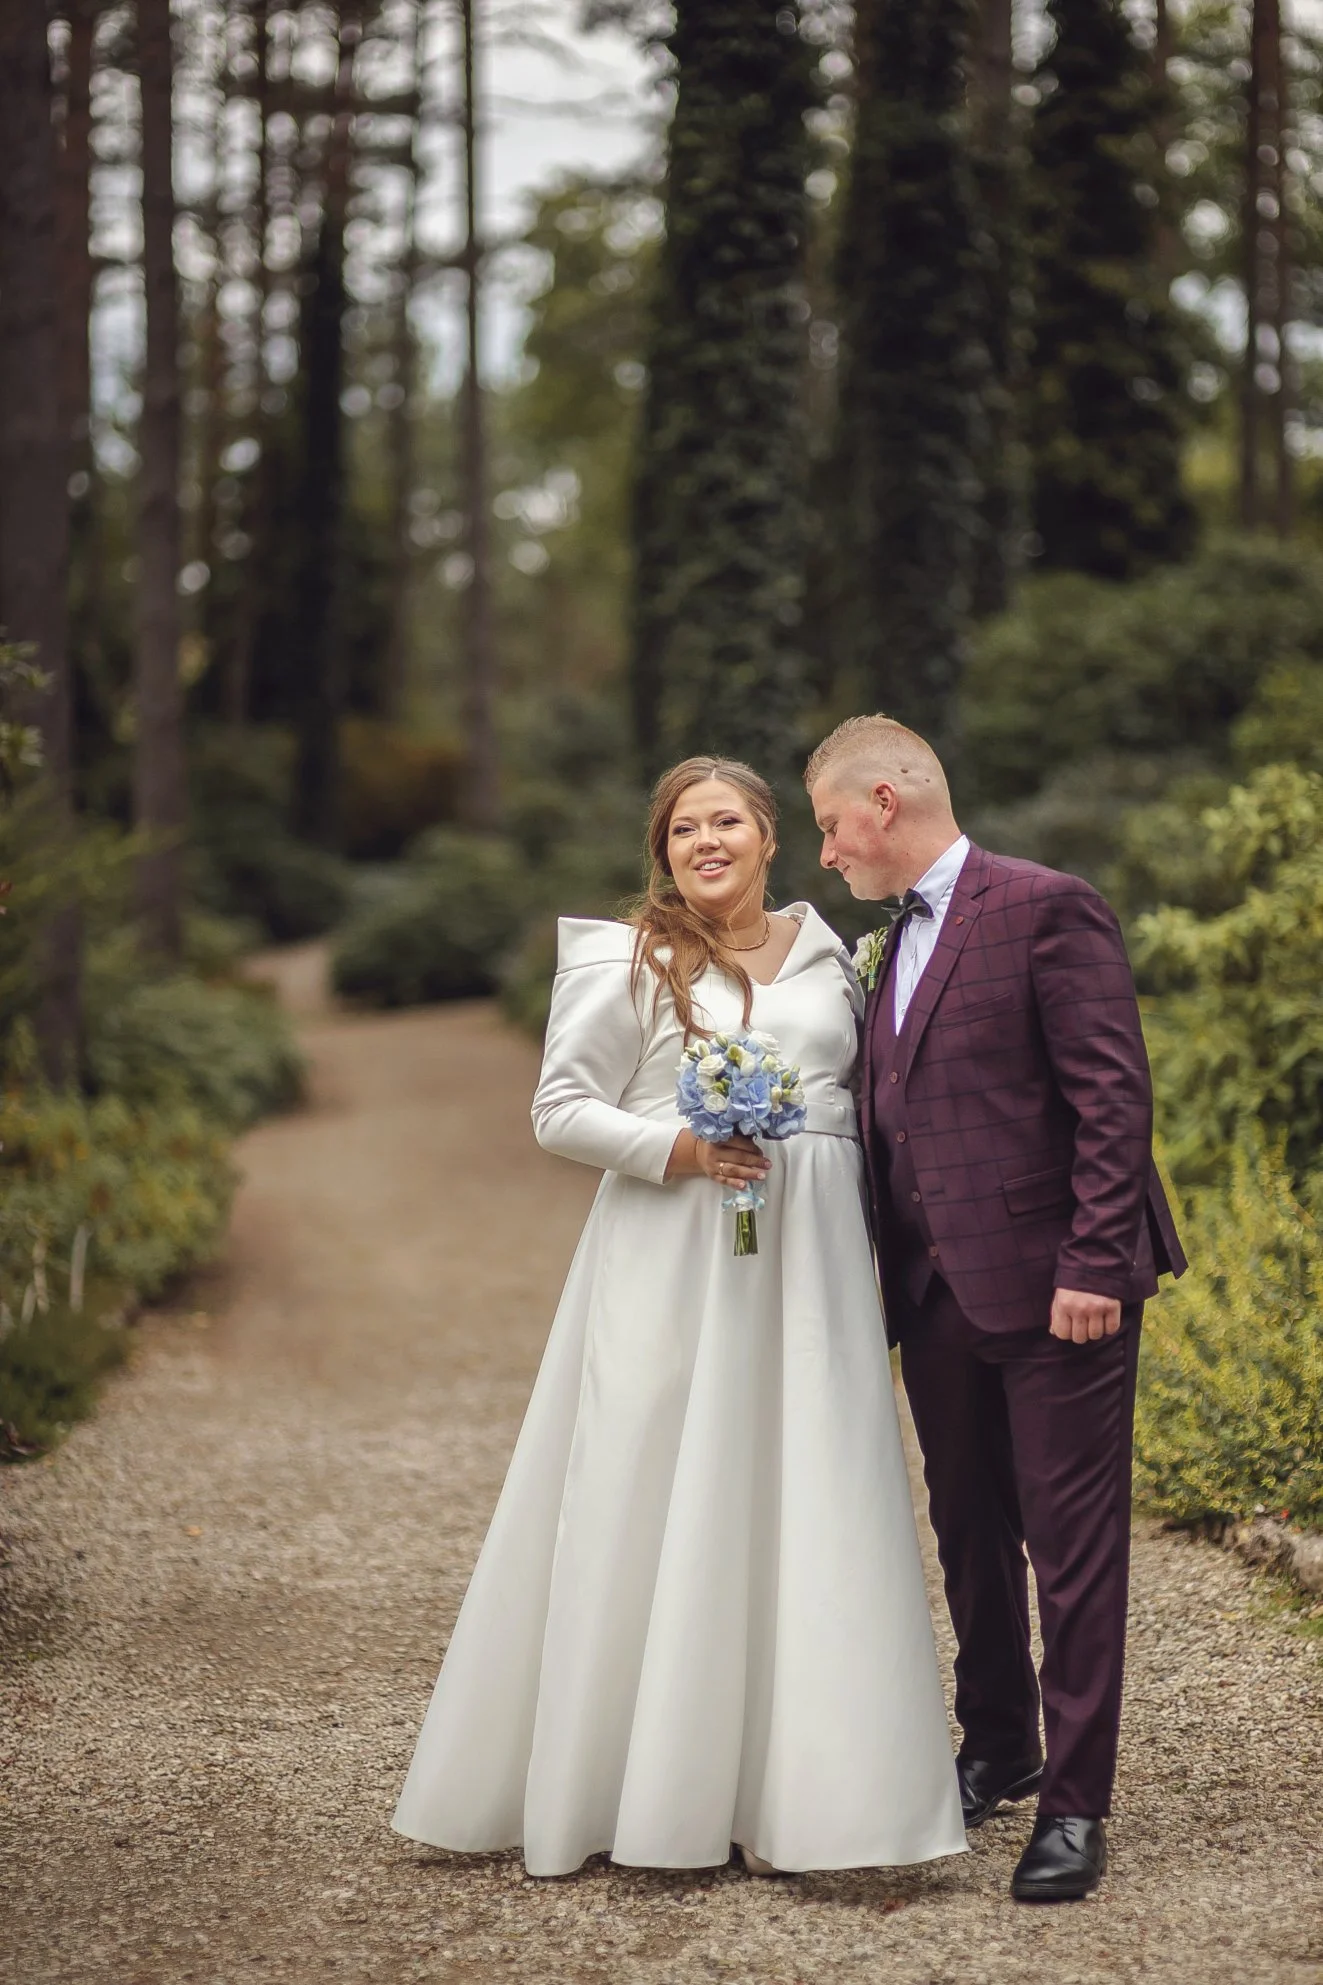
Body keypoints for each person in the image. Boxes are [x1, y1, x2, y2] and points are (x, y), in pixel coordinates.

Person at [392, 755, 966, 1878]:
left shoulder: (834, 959)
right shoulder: (630, 960)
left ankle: (814, 1800)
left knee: (809, 1489)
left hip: (811, 1262)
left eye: (727, 821)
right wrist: (685, 1149)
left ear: (768, 836)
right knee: (653, 1484)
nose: (707, 841)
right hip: (671, 1252)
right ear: (663, 851)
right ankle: (642, 1788)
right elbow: (559, 1107)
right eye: (684, 828)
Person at [806, 715, 1187, 1904]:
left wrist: (1096, 1263)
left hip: (1056, 1292)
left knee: (1071, 1550)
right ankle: (1002, 1744)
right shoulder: (886, 943)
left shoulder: (1046, 906)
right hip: (932, 1294)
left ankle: (1075, 1802)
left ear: (882, 800)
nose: (826, 852)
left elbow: (1113, 1098)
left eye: (829, 825)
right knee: (968, 1532)